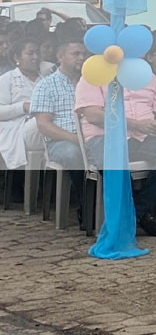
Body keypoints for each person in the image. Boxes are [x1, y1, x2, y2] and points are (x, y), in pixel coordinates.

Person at [74, 68, 156, 237]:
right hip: (104, 137)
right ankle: (141, 215)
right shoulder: (94, 75)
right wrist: (136, 124)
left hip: (142, 137)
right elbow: (94, 116)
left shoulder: (149, 77)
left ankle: (135, 213)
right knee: (114, 162)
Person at [31, 39, 88, 224]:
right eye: (75, 54)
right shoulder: (46, 85)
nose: (81, 58)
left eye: (83, 54)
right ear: (60, 56)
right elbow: (43, 125)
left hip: (91, 137)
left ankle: (112, 207)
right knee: (73, 153)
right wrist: (75, 139)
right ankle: (86, 205)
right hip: (61, 141)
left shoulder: (91, 83)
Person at [0, 39, 46, 169]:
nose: (35, 57)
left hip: (42, 130)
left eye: (37, 53)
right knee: (41, 121)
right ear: (17, 57)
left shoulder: (45, 80)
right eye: (30, 53)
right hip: (17, 129)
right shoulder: (6, 79)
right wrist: (23, 107)